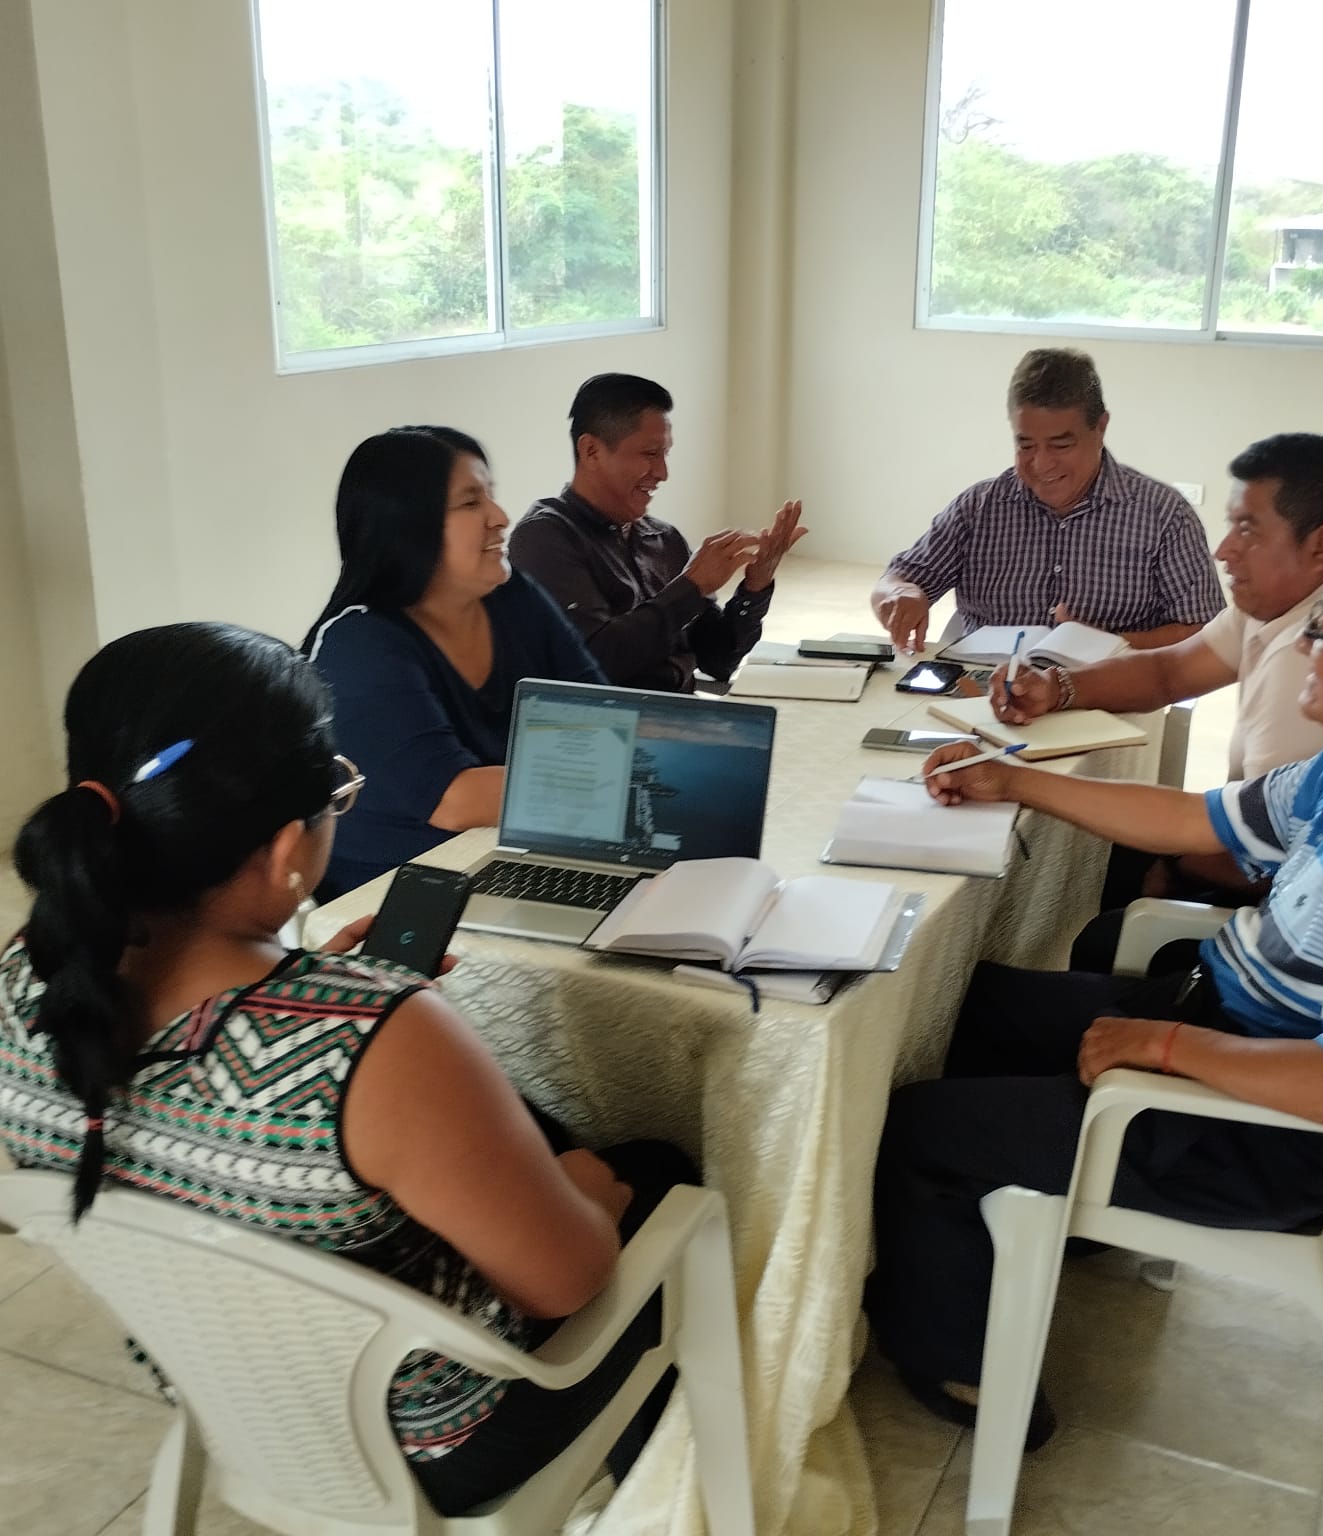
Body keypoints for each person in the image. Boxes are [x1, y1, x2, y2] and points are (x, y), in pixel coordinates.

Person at [0, 622, 694, 1515]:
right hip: (424, 1443)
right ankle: (662, 1495)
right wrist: (590, 1189)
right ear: (288, 847)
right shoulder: (382, 1040)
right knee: (658, 1171)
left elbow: (195, 1101)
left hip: (215, 1382)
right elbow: (565, 1282)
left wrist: (323, 1008)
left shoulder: (23, 977)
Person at [865, 513, 1323, 1439]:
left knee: (921, 1128)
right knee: (960, 1011)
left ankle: (969, 1371)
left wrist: (1165, 1047)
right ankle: (1028, 1227)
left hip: (1259, 1134)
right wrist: (1014, 781)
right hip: (1226, 1016)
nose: (1303, 642)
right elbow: (1198, 821)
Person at [984, 433, 1323, 969]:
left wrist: (1173, 867)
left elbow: (1272, 864)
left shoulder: (1308, 663)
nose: (1223, 550)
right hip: (1241, 838)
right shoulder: (1279, 604)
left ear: (1322, 546)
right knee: (1104, 848)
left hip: (1274, 920)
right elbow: (1170, 670)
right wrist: (1058, 687)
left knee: (1094, 917)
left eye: (1248, 529)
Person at [303, 426, 603, 895]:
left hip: (512, 858)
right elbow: (456, 798)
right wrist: (620, 781)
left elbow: (601, 715)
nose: (500, 517)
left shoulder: (511, 594)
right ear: (408, 526)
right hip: (396, 897)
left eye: (491, 496)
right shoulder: (358, 643)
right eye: (471, 502)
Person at [870, 348, 1224, 654]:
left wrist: (1104, 644)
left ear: (1100, 428)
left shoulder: (1163, 515)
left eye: (1060, 445)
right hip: (982, 693)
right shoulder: (979, 508)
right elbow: (897, 579)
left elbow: (1206, 631)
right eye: (1025, 445)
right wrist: (901, 595)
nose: (1041, 464)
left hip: (1110, 692)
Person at [507, 373, 808, 691]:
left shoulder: (663, 539)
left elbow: (719, 661)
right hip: (611, 720)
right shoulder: (545, 538)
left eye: (665, 454)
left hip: (680, 712)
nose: (663, 473)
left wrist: (755, 586)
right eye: (650, 454)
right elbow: (595, 665)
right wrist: (692, 587)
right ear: (591, 450)